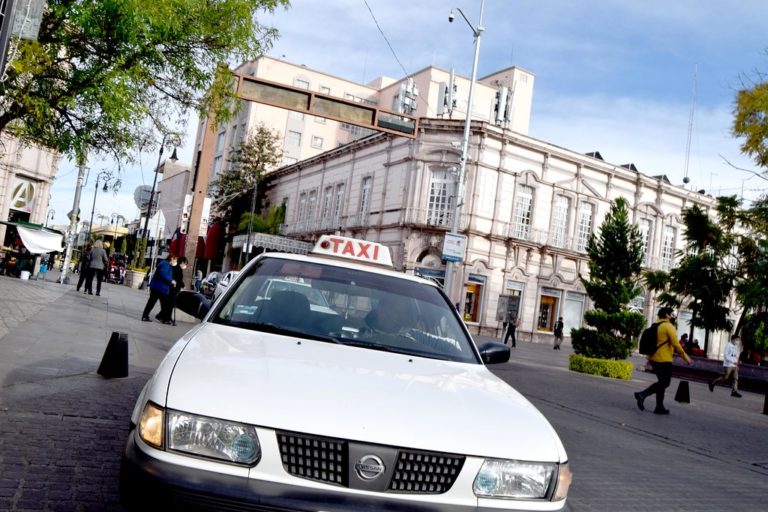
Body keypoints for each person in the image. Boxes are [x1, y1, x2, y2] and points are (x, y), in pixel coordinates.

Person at [634, 307, 692, 415]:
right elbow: (676, 345)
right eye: (670, 314)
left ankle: (659, 407)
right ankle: (643, 394)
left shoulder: (655, 325)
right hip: (664, 360)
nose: (672, 316)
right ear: (666, 315)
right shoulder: (668, 326)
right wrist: (686, 358)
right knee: (665, 382)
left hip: (654, 358)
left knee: (661, 382)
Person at [141, 255, 177, 324]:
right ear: (172, 258)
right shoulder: (165, 264)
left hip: (158, 286)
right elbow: (162, 273)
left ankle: (146, 316)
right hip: (160, 287)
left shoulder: (165, 263)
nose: (175, 262)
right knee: (164, 304)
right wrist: (171, 280)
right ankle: (163, 319)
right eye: (175, 260)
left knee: (153, 303)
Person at [169, 257, 188, 325]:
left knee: (171, 304)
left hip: (175, 288)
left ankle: (165, 317)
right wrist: (182, 285)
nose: (185, 265)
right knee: (170, 304)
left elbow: (179, 279)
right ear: (182, 262)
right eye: (185, 264)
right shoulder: (177, 268)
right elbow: (178, 279)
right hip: (173, 288)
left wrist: (183, 285)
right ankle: (167, 317)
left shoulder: (179, 269)